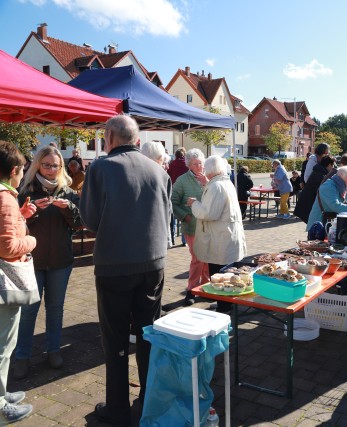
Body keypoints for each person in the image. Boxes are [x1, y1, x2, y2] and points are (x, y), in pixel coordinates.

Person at [79, 115, 171, 426]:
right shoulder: (159, 171)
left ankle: (117, 408)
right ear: (136, 138)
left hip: (115, 265)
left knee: (116, 338)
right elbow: (166, 214)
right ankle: (148, 399)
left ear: (109, 139)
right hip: (154, 263)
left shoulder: (100, 168)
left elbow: (90, 220)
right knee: (148, 334)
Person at [13, 146, 81, 379]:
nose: (51, 170)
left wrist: (69, 208)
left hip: (61, 261)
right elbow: (16, 226)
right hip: (32, 261)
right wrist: (29, 214)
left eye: (56, 165)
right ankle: (21, 356)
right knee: (28, 310)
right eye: (47, 165)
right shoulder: (25, 190)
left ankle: (53, 351)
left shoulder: (68, 192)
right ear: (37, 165)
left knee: (55, 309)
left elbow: (78, 224)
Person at [0, 140, 37, 423]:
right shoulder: (5, 198)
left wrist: (19, 217)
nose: (23, 174)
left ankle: (2, 392)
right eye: (23, 169)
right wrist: (32, 239)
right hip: (4, 285)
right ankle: (1, 405)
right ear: (14, 170)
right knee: (3, 345)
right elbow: (8, 247)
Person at [188, 155, 246, 299]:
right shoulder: (225, 182)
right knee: (229, 275)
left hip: (220, 239)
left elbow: (209, 213)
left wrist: (193, 203)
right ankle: (226, 304)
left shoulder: (216, 186)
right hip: (227, 236)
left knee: (221, 276)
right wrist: (206, 183)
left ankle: (223, 306)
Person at [171, 149, 210, 305]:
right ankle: (192, 289)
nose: (199, 166)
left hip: (209, 226)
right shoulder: (182, 180)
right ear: (188, 165)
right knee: (197, 258)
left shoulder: (210, 178)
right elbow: (173, 202)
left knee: (208, 258)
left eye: (200, 163)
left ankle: (206, 286)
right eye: (195, 163)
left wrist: (207, 183)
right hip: (192, 225)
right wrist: (184, 216)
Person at [306, 166, 347, 230]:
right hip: (319, 225)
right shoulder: (328, 186)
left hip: (333, 225)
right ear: (341, 176)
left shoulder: (344, 187)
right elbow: (334, 205)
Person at [294, 156, 335, 223]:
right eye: (332, 165)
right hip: (308, 204)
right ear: (329, 165)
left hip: (306, 203)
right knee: (313, 226)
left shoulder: (318, 171)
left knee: (313, 226)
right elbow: (319, 192)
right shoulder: (321, 174)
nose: (333, 168)